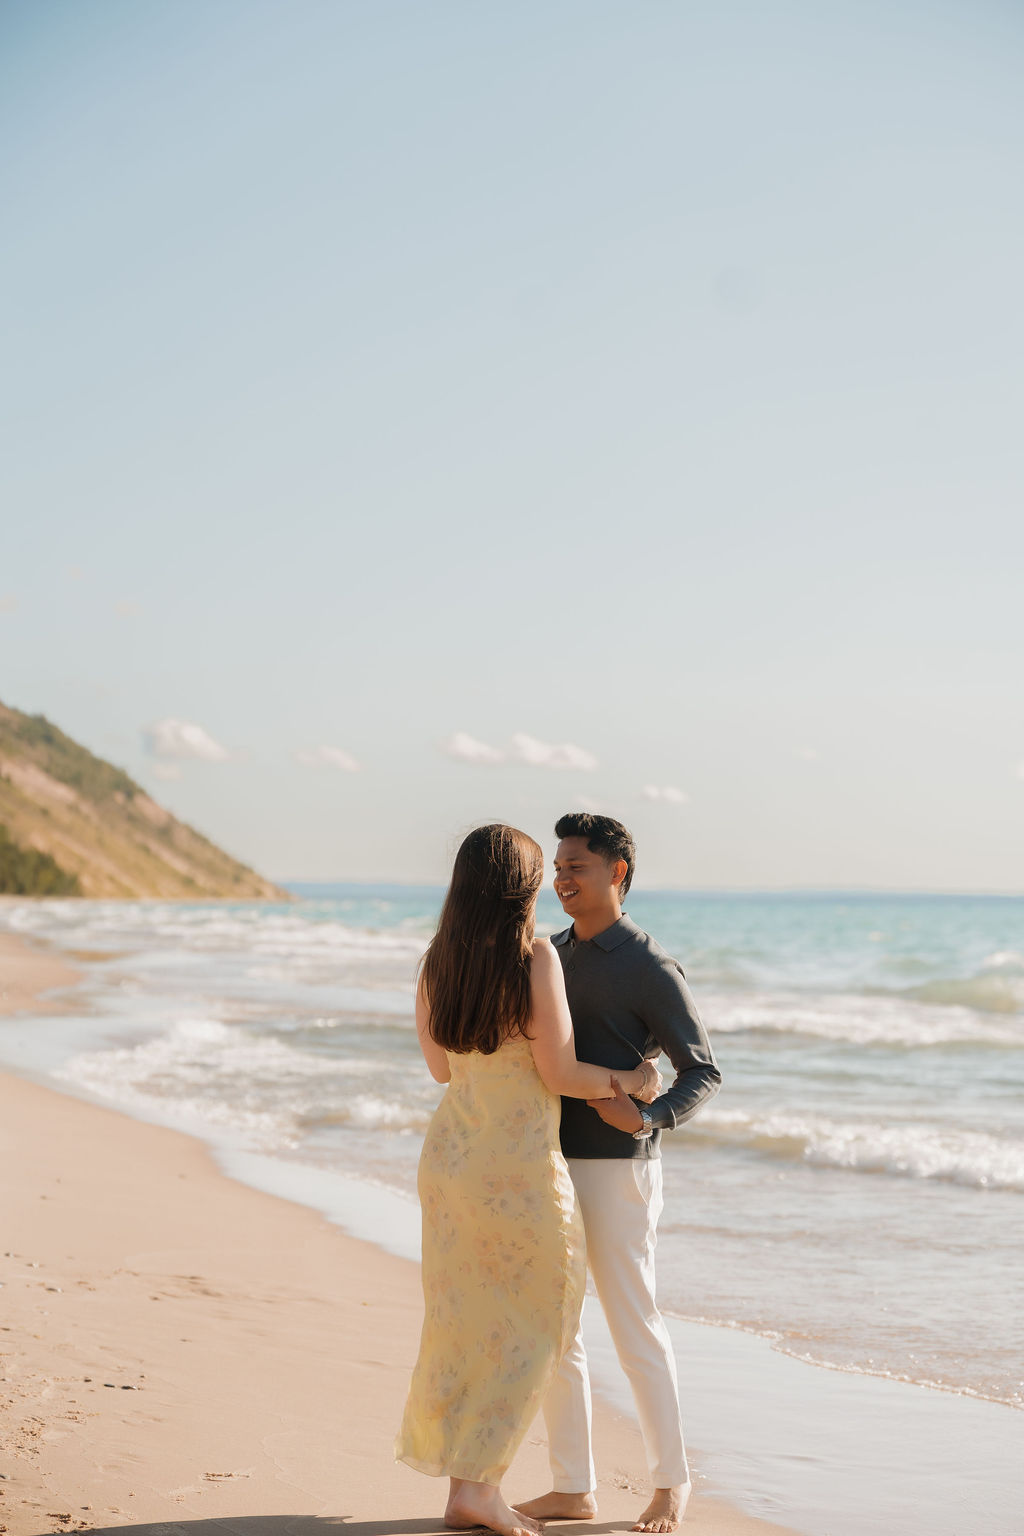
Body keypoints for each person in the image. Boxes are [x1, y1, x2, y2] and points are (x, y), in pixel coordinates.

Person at [395, 823, 662, 1536]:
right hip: (515, 1169)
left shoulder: (433, 963)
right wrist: (633, 1077)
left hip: (450, 1163)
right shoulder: (534, 957)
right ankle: (477, 1489)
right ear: (519, 889)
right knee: (539, 1322)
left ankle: (468, 1486)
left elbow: (441, 1069)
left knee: (463, 1324)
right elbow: (562, 1074)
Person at [517, 813, 722, 1535]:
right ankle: (573, 1486)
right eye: (558, 867)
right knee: (554, 1330)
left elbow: (702, 1071)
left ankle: (672, 1484)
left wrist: (649, 1118)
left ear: (617, 874)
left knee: (634, 1325)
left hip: (618, 1170)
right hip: (546, 1160)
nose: (562, 879)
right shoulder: (548, 952)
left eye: (577, 866)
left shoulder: (648, 965)